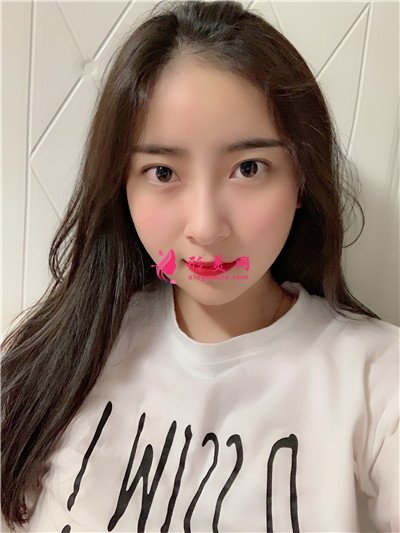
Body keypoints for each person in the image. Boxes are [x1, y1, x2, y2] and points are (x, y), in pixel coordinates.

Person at [1, 1, 399, 531]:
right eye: (163, 172)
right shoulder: (68, 355)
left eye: (249, 168)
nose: (206, 228)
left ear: (301, 179)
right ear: (121, 186)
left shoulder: (375, 379)